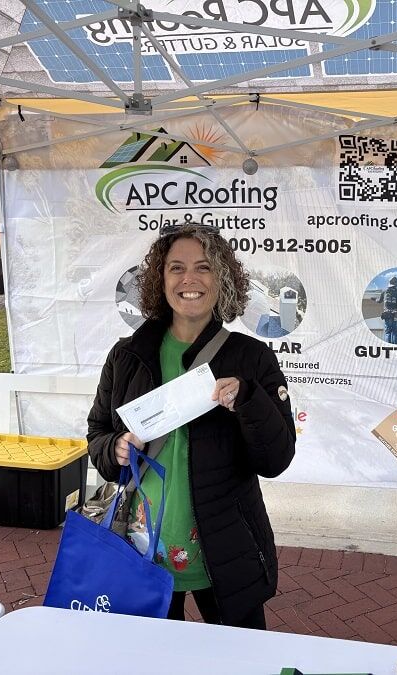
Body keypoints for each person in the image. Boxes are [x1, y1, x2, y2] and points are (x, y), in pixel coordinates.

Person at [86, 223, 296, 629]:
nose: (189, 279)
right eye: (175, 268)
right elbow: (97, 433)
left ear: (222, 279)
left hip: (224, 550)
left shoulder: (250, 358)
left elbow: (276, 458)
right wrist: (114, 448)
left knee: (240, 661)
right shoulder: (128, 355)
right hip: (143, 546)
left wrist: (249, 400)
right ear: (159, 280)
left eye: (203, 267)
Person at [377, 275, 397, 344]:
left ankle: (388, 347)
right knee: (395, 332)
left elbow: (380, 301)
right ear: (396, 283)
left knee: (388, 332)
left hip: (387, 315)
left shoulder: (384, 290)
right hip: (396, 315)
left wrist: (374, 299)